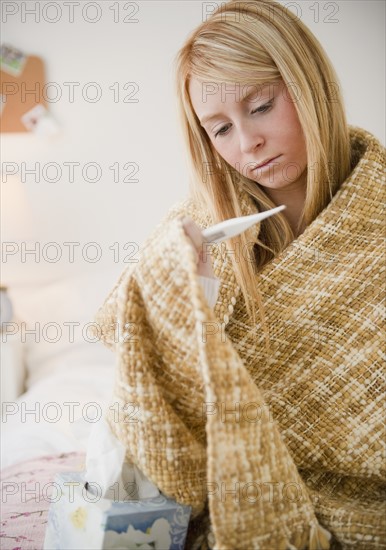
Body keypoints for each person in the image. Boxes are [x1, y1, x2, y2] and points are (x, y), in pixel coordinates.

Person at [94, 1, 385, 548]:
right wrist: (190, 299)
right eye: (220, 128)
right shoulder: (195, 232)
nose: (246, 144)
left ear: (309, 83)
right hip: (215, 496)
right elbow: (151, 403)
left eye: (262, 106)